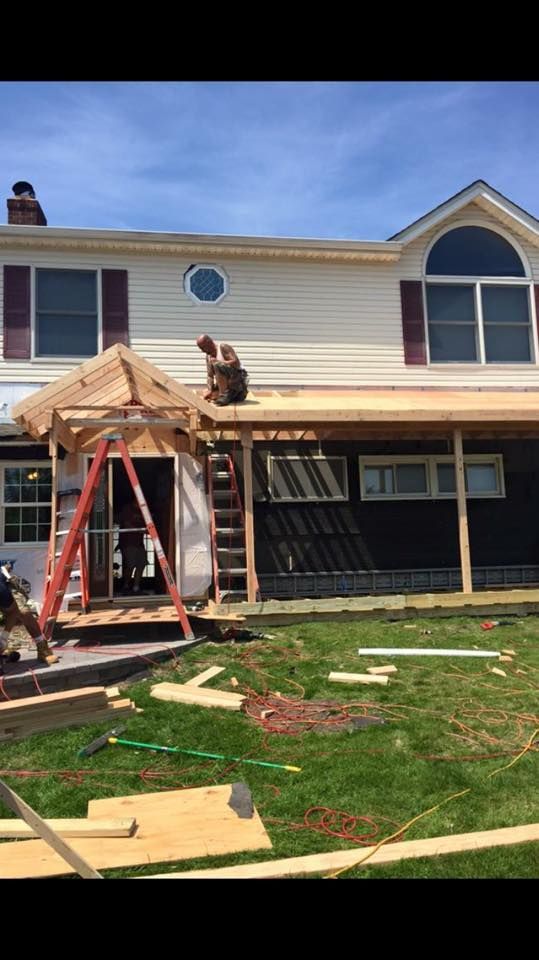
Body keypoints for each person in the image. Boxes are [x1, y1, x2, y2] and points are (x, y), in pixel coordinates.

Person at [0, 563, 58, 666]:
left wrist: (3, 638)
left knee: (23, 612)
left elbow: (13, 612)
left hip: (5, 584)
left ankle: (42, 648)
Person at [196, 335, 249, 406]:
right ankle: (223, 395)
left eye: (203, 347)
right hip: (226, 388)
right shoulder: (208, 357)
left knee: (217, 364)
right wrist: (210, 390)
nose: (202, 351)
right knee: (208, 393)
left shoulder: (223, 347)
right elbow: (210, 376)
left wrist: (219, 361)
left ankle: (223, 395)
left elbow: (236, 362)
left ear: (209, 342)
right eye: (200, 348)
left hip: (237, 384)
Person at [118, 500, 147, 594]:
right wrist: (140, 531)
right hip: (128, 542)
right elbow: (126, 524)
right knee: (131, 565)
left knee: (142, 564)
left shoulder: (143, 511)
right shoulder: (127, 509)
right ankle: (126, 586)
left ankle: (136, 587)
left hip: (139, 543)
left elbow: (147, 526)